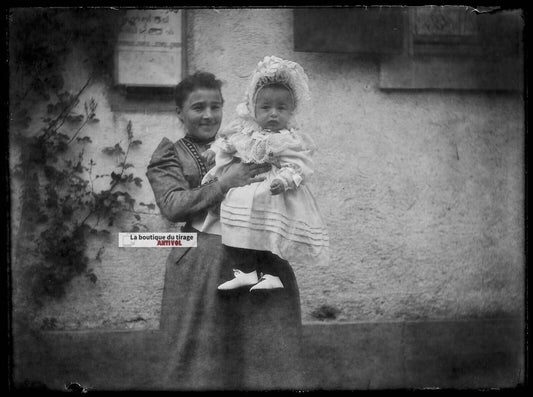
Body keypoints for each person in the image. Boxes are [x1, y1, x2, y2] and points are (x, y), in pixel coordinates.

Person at [146, 71, 303, 390]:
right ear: (180, 113)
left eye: (215, 106)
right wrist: (224, 183)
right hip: (202, 264)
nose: (208, 115)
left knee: (263, 347)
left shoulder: (245, 141)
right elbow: (172, 205)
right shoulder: (170, 155)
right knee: (203, 353)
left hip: (255, 255)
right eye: (197, 107)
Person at [198, 56, 329, 292]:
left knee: (271, 236)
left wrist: (283, 179)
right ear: (253, 108)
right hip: (247, 189)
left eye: (281, 108)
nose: (273, 114)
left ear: (292, 111)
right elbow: (228, 144)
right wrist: (214, 151)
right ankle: (247, 272)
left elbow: (298, 166)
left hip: (274, 194)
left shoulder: (289, 139)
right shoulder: (246, 130)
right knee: (241, 232)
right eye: (266, 107)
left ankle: (272, 275)